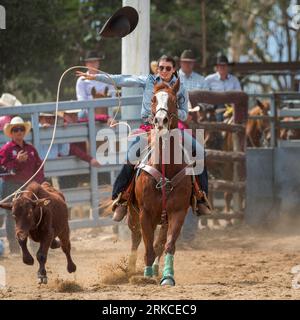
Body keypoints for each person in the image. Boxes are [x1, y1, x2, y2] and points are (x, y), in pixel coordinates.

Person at [76, 55, 211, 222]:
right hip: (149, 128)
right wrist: (95, 76)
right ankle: (121, 199)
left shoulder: (180, 87)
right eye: (160, 68)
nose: (163, 71)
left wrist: (172, 112)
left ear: (174, 70)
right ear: (157, 69)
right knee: (130, 156)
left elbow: (184, 112)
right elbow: (124, 79)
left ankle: (200, 196)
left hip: (172, 130)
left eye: (168, 68)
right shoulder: (148, 81)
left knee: (200, 153)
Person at [0, 116, 44, 253]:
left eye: (21, 129)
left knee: (32, 214)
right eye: (15, 129)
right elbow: (2, 169)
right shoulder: (6, 149)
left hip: (28, 187)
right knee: (11, 215)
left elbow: (39, 166)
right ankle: (14, 248)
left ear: (24, 131)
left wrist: (38, 183)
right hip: (11, 185)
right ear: (11, 133)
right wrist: (17, 161)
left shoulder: (31, 149)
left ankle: (35, 245)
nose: (19, 131)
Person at [76, 50, 115, 120]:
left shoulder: (107, 77)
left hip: (107, 109)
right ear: (86, 64)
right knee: (81, 115)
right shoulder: (81, 80)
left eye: (95, 61)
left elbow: (113, 95)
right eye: (90, 62)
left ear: (98, 63)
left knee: (119, 115)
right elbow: (81, 99)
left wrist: (109, 112)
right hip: (89, 111)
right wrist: (91, 113)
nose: (93, 64)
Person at [205, 54, 242, 121]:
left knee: (242, 115)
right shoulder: (209, 79)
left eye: (224, 65)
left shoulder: (234, 80)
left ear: (228, 67)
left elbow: (239, 95)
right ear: (217, 67)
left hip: (231, 106)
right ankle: (220, 128)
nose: (222, 67)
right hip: (214, 106)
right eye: (220, 65)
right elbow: (204, 94)